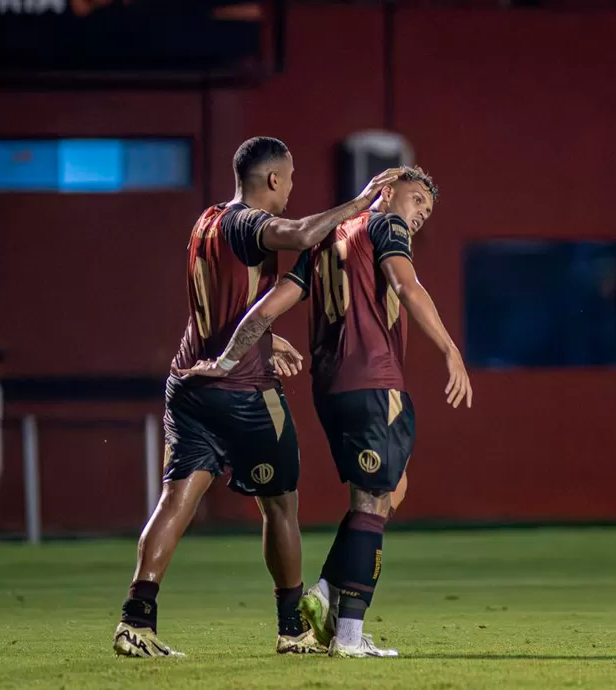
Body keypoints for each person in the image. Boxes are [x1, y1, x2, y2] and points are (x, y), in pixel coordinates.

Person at [113, 135, 403, 658]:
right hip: (243, 392)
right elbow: (301, 233)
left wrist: (269, 340)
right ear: (273, 179)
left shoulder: (206, 220)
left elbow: (227, 305)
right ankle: (292, 628)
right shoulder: (249, 222)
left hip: (187, 382)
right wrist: (362, 202)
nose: (291, 188)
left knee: (175, 501)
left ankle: (137, 621)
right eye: (289, 178)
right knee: (280, 506)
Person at [178, 166, 473, 658]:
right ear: (388, 188)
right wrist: (449, 349)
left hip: (330, 388)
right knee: (373, 500)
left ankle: (327, 591)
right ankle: (349, 634)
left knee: (392, 486)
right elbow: (406, 286)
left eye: (426, 208)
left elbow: (270, 307)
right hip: (372, 381)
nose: (419, 213)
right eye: (416, 198)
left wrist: (228, 357)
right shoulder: (385, 225)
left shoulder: (327, 240)